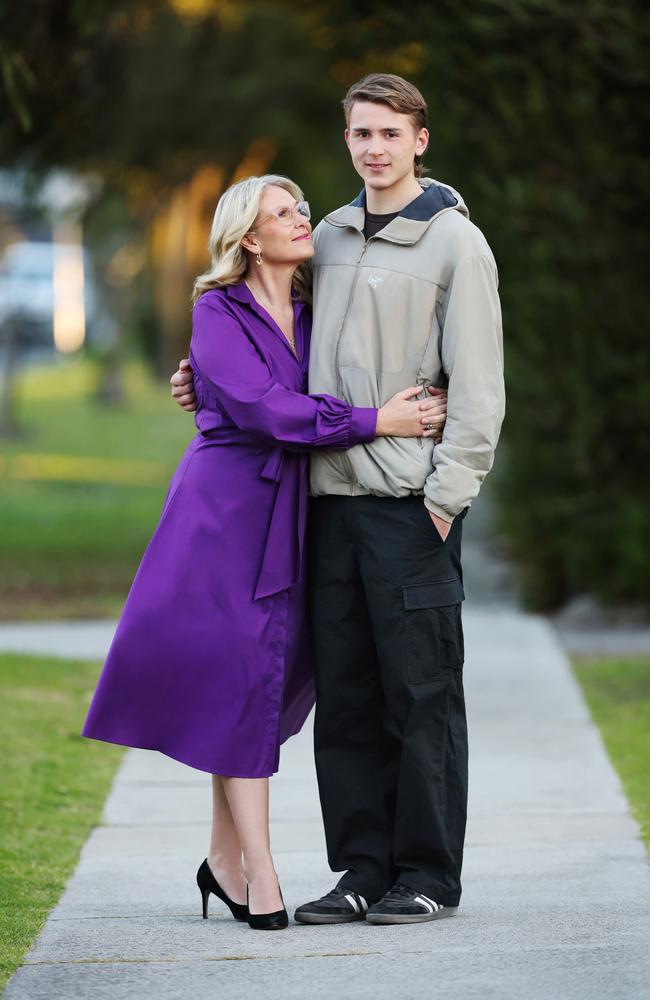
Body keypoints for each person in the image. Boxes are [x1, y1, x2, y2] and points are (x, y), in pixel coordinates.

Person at [172, 74, 505, 926]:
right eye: (361, 134)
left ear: (420, 140)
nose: (374, 149)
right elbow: (278, 341)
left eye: (391, 133)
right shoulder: (327, 236)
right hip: (325, 507)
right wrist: (205, 380)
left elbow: (480, 388)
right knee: (348, 699)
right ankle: (360, 869)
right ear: (348, 140)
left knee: (421, 696)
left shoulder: (454, 244)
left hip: (408, 506)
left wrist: (447, 498)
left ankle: (426, 875)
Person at [82, 173, 447, 932]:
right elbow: (266, 409)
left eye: (301, 208)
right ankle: (263, 873)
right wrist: (379, 420)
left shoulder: (315, 314)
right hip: (224, 514)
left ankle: (223, 863)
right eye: (284, 212)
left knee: (255, 682)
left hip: (293, 511)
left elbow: (312, 389)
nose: (300, 219)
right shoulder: (217, 309)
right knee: (244, 678)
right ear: (249, 237)